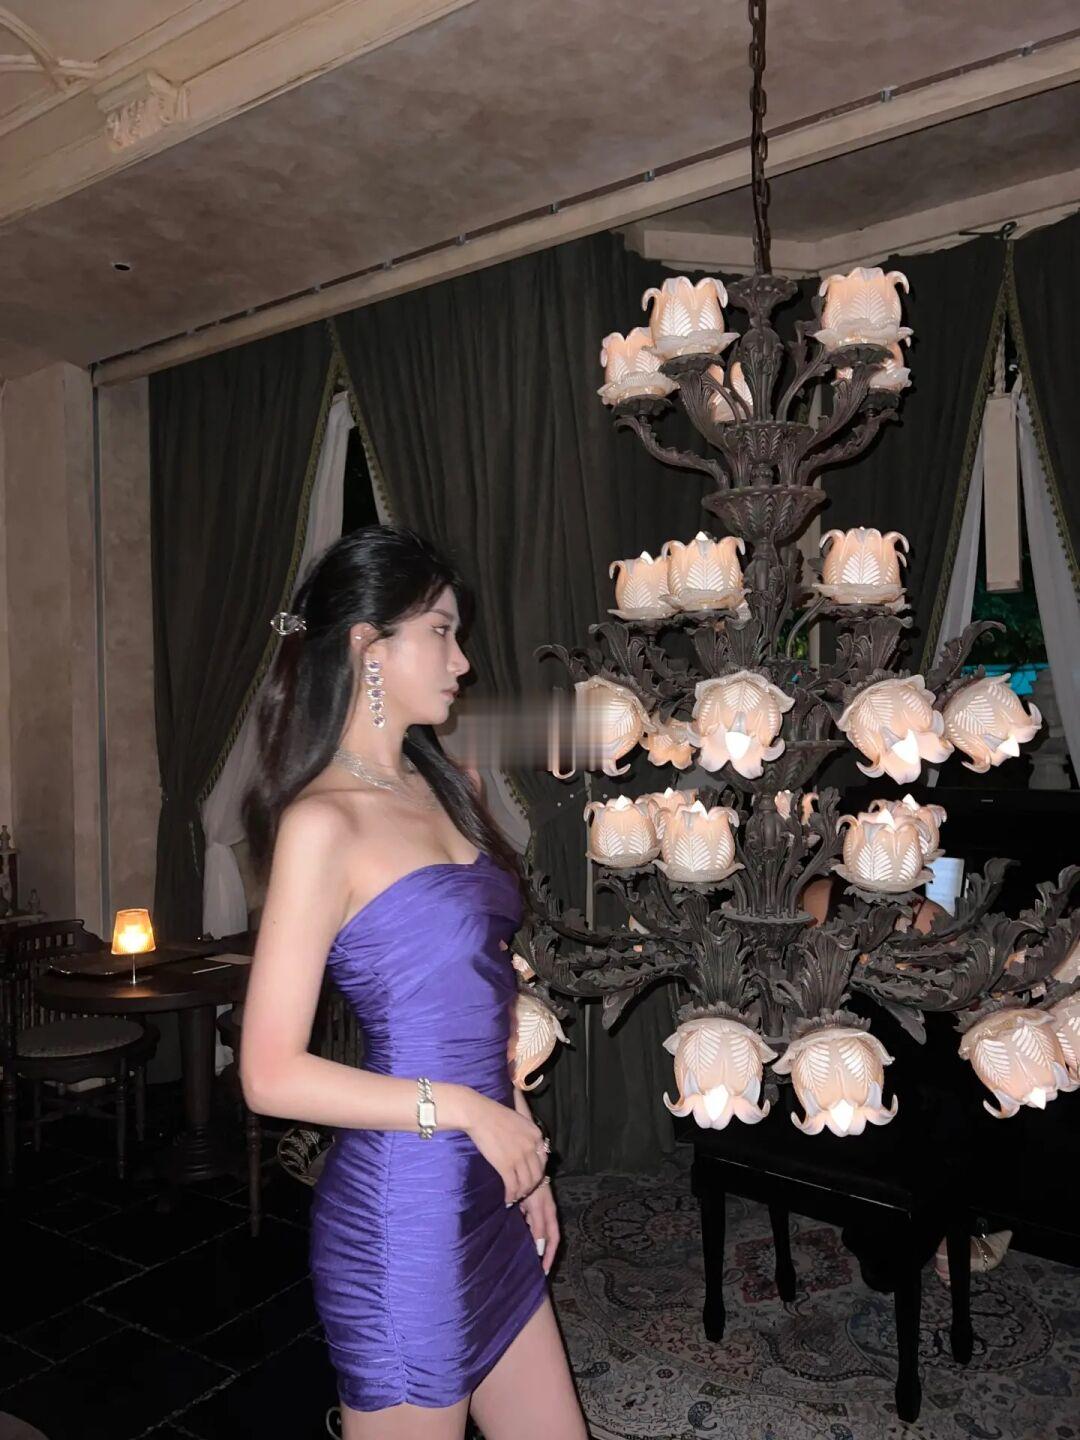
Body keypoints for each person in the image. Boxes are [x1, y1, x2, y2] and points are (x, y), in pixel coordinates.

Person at [240, 526, 589, 1440]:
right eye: (441, 630)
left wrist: (517, 1142)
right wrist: (469, 1112)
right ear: (368, 645)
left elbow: (484, 994)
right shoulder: (322, 824)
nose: (463, 660)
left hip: (486, 1189)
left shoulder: (443, 785)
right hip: (406, 1220)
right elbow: (268, 1074)